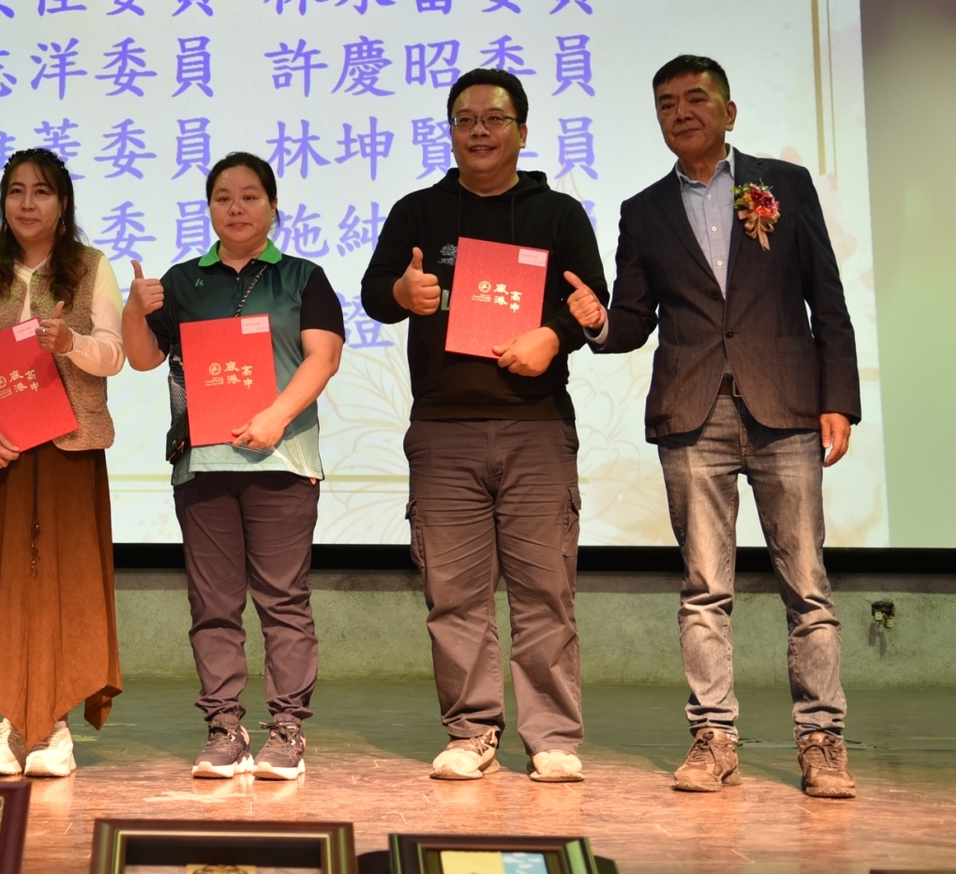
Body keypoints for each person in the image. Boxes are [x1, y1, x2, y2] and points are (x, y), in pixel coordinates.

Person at [564, 54, 861, 800]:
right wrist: (598, 323)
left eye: (696, 99)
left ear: (728, 112)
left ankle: (822, 740)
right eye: (667, 104)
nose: (681, 113)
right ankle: (713, 738)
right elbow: (633, 321)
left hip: (786, 406)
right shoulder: (644, 210)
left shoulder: (783, 186)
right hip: (693, 412)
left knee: (808, 587)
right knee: (704, 588)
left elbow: (826, 297)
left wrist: (839, 398)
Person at [359, 68, 607, 785]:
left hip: (536, 427)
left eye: (494, 119)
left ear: (521, 132)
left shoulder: (558, 215)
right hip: (443, 428)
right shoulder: (419, 212)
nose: (479, 131)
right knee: (454, 595)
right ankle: (471, 732)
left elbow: (592, 304)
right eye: (465, 119)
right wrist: (403, 291)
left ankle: (552, 737)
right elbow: (376, 295)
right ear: (451, 132)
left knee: (544, 592)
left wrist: (553, 336)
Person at [121, 152, 344, 781]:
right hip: (203, 464)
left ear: (273, 206)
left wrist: (276, 416)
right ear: (210, 208)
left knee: (283, 601)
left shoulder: (303, 277)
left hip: (282, 459)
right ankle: (224, 728)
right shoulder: (183, 281)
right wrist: (134, 309)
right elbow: (142, 358)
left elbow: (323, 357)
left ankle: (287, 729)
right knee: (213, 604)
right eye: (223, 197)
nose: (236, 208)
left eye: (250, 196)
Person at [0, 147, 126, 779]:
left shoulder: (91, 268)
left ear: (63, 204)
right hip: (1, 453)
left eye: (42, 191)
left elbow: (114, 353)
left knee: (64, 585)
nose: (27, 203)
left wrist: (71, 342)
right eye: (16, 191)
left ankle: (55, 729)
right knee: (5, 585)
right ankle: (12, 724)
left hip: (69, 450)